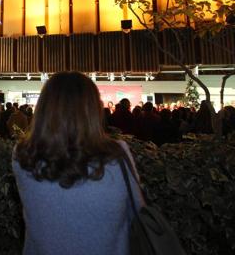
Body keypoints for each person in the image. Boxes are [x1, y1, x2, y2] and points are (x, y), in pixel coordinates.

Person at [12, 72, 143, 254]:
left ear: (43, 109)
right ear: (93, 109)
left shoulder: (23, 155)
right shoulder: (117, 154)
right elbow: (137, 211)